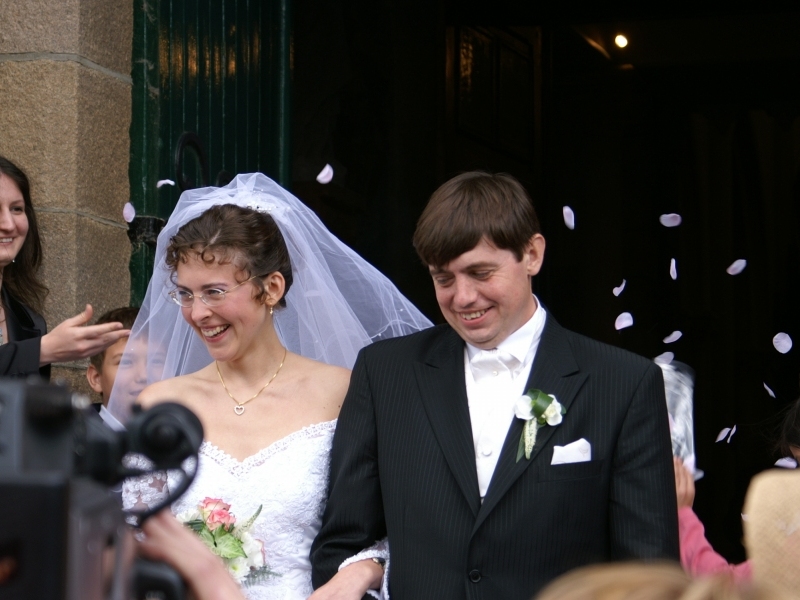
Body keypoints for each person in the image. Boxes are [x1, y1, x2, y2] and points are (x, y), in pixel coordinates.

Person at [311, 171, 679, 599]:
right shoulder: (384, 373)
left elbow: (650, 576)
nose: (463, 297)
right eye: (443, 279)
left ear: (532, 254)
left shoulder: (624, 383)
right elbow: (341, 547)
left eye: (480, 273)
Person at [113, 173, 431, 600]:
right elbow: (134, 538)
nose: (198, 313)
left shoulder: (343, 392)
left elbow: (401, 525)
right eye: (186, 294)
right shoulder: (161, 403)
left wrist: (360, 573)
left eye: (214, 291)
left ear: (271, 287)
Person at [0, 155, 129, 379]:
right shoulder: (39, 344)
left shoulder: (29, 322)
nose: (9, 224)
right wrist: (41, 350)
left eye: (17, 209)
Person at [86, 306, 141, 430]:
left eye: (157, 361)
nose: (143, 375)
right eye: (125, 362)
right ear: (96, 378)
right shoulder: (70, 442)